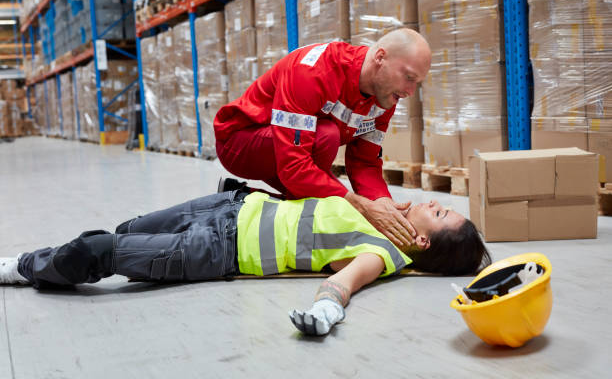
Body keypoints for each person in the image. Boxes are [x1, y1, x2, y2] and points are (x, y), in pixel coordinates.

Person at [0, 189, 490, 336]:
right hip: (231, 205)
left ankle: (22, 268)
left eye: (439, 211)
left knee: (98, 252)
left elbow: (345, 282)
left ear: (423, 241)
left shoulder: (383, 253)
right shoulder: (380, 209)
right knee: (126, 230)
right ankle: (39, 265)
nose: (430, 199)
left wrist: (327, 310)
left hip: (218, 249)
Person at [214, 28, 432, 249]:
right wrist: (360, 206)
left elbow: (365, 163)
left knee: (329, 195)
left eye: (417, 83)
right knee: (326, 140)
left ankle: (240, 198)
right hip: (239, 142)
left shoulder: (384, 97)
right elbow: (294, 167)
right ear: (380, 57)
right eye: (409, 77)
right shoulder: (312, 71)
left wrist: (382, 203)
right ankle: (298, 221)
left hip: (292, 152)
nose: (411, 91)